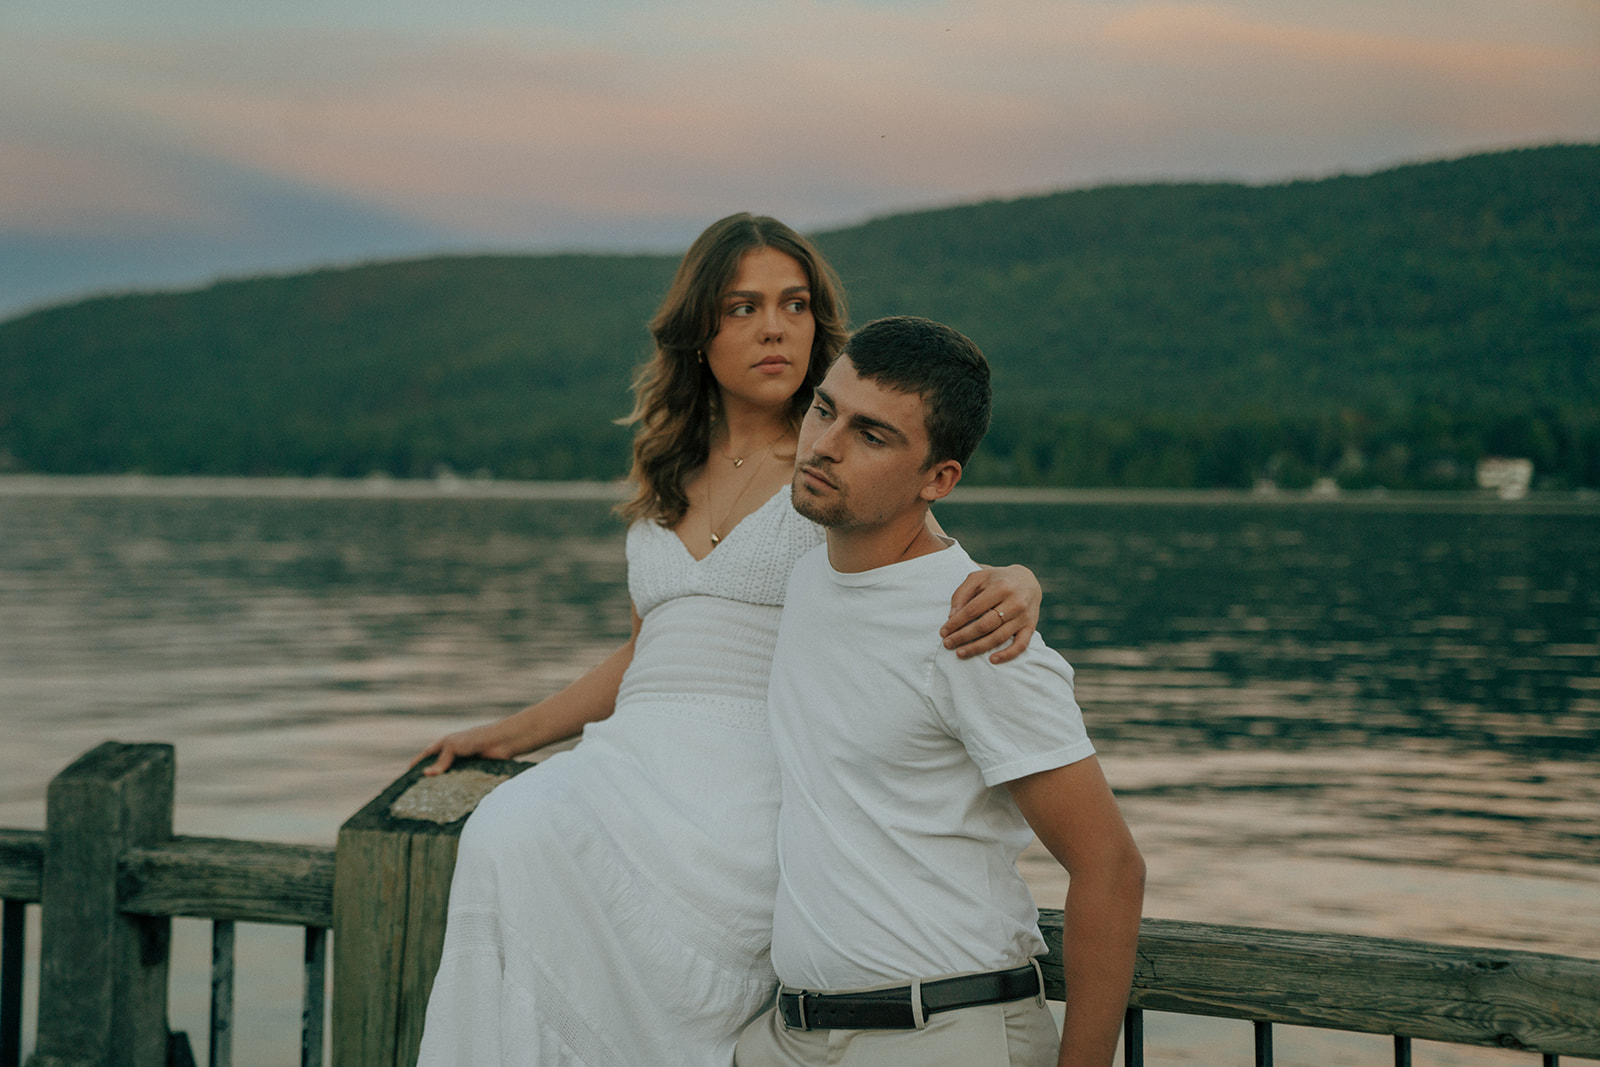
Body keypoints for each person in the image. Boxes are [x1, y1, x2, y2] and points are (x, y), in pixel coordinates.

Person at [413, 215, 1046, 1066]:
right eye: (743, 307)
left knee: (531, 841)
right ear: (698, 332)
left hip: (748, 787)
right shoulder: (667, 466)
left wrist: (1019, 579)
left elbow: (923, 556)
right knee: (505, 829)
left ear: (821, 325)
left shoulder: (834, 465)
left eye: (794, 304)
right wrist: (508, 734)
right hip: (629, 761)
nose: (774, 326)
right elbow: (648, 651)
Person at [737, 316, 1146, 1067]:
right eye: (824, 409)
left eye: (873, 434)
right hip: (794, 1035)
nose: (824, 443)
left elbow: (1110, 867)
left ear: (939, 479)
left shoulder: (977, 629)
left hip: (941, 1032)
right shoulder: (805, 573)